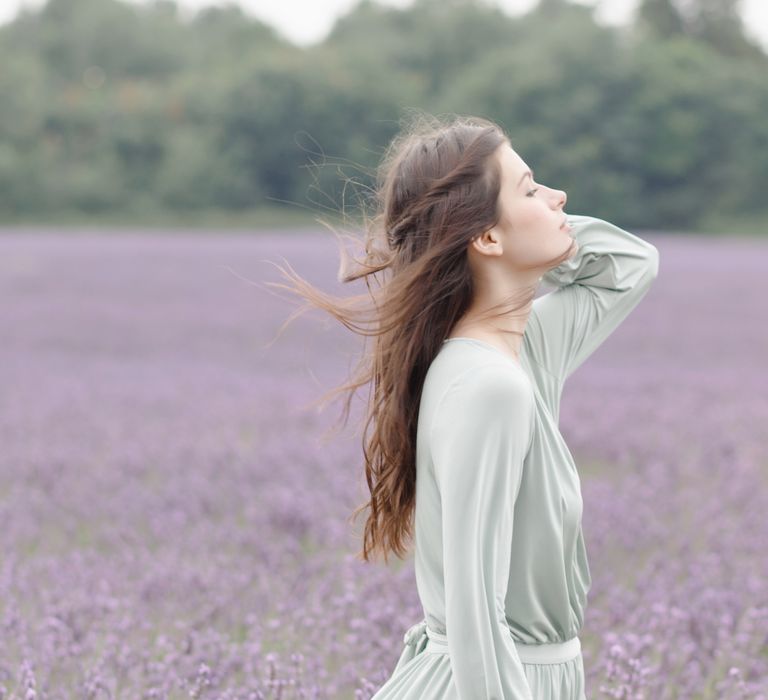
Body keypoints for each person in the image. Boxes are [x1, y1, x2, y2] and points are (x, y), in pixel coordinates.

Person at [267, 113, 659, 699]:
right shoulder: (490, 386)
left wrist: (524, 224)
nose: (559, 197)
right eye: (531, 188)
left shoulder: (522, 352)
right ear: (487, 238)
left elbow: (629, 268)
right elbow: (477, 611)